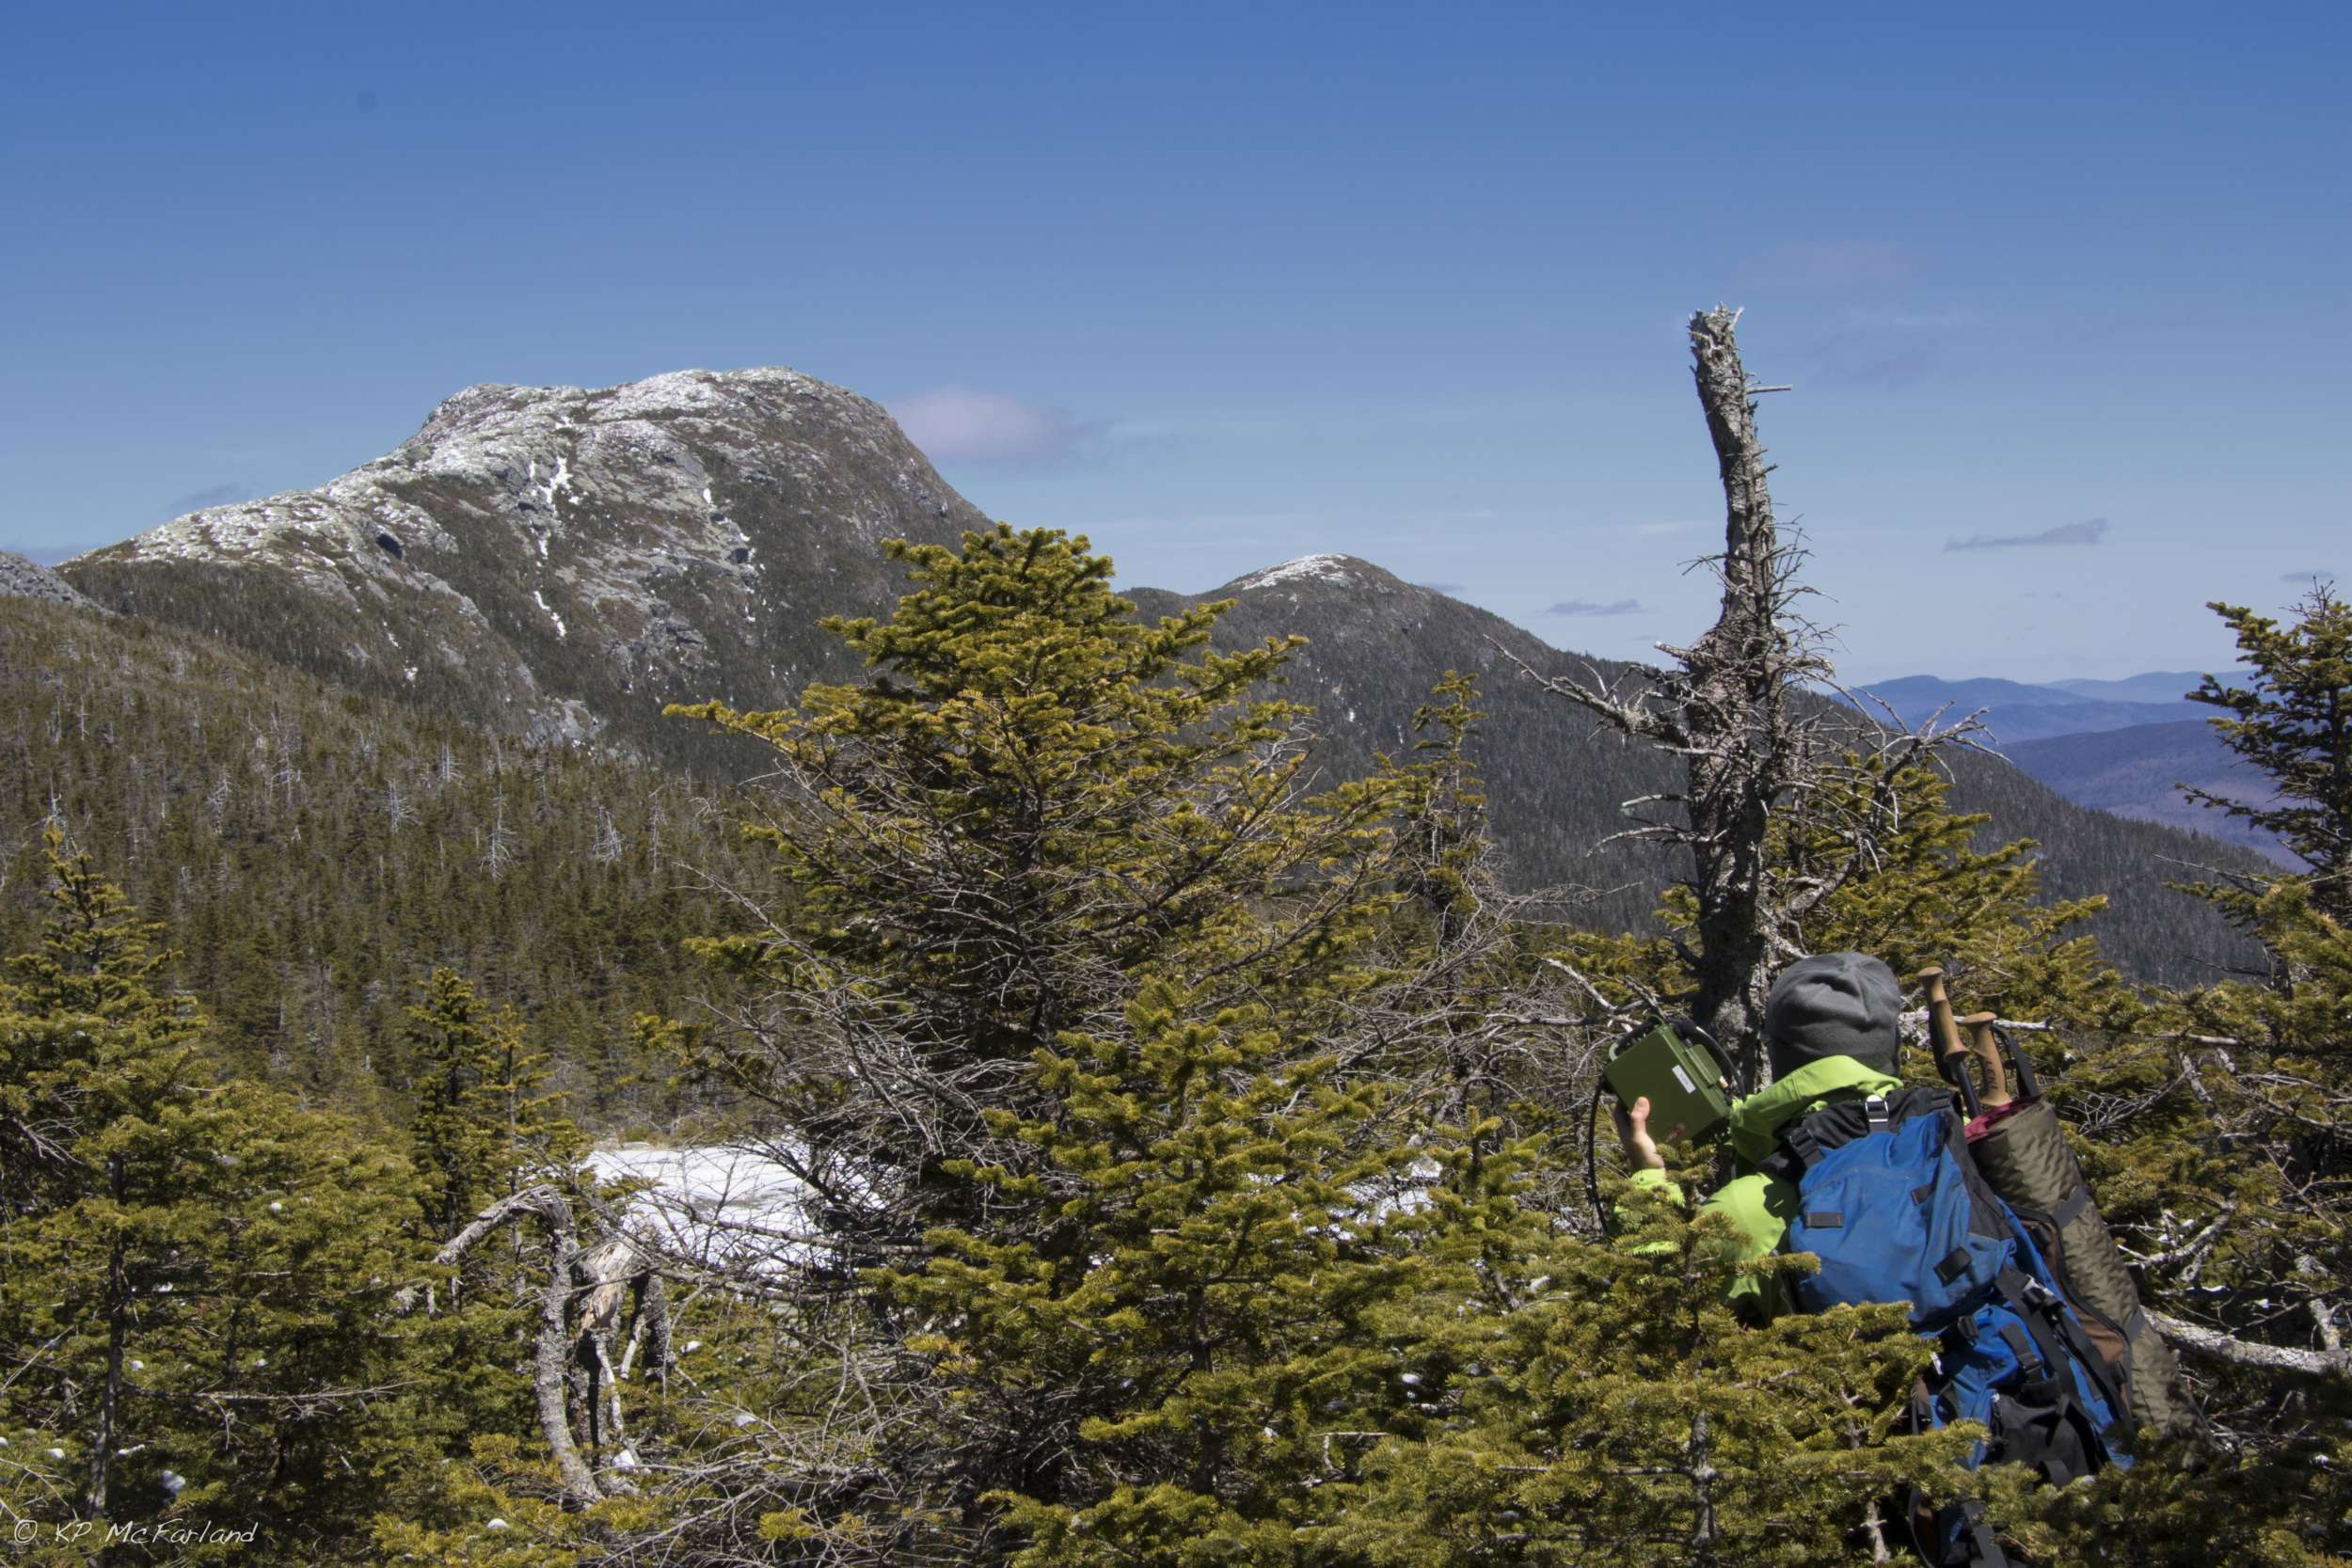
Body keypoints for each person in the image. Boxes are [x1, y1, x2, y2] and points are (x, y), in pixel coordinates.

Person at [1613, 951, 1907, 1322]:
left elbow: (1651, 1298)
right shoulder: (1955, 1135)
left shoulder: (1747, 1210)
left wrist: (1648, 1173)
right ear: (1892, 1044)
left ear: (1780, 1053)